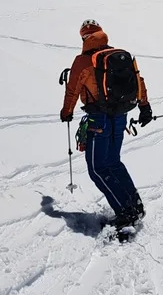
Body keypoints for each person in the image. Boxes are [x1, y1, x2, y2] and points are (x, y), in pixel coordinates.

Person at [61, 19, 150, 228]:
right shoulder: (120, 54)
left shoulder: (83, 60)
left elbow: (72, 89)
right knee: (113, 163)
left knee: (97, 168)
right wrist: (145, 106)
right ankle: (135, 206)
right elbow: (139, 81)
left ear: (83, 37)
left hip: (97, 118)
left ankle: (125, 213)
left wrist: (66, 112)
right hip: (120, 115)